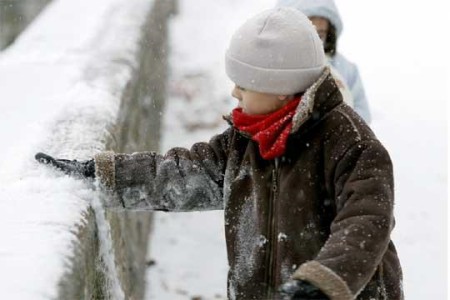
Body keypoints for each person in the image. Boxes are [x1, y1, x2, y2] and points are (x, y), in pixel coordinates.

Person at [35, 7, 403, 300]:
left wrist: (325, 282)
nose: (234, 94)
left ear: (280, 88)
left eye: (244, 84)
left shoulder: (350, 143)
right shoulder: (247, 139)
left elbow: (367, 221)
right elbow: (183, 173)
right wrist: (105, 175)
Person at [277, 0, 372, 124]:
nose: (314, 41)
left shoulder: (345, 68)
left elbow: (362, 114)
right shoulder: (274, 66)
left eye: (320, 35)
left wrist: (335, 122)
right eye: (307, 33)